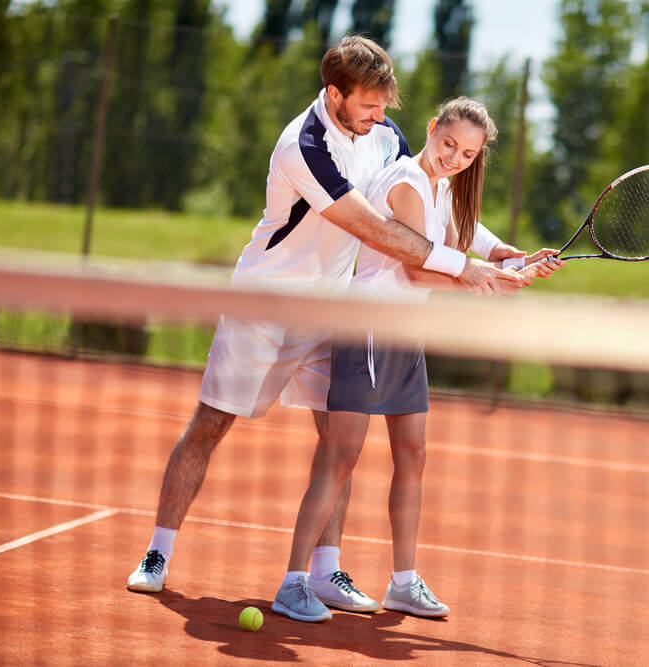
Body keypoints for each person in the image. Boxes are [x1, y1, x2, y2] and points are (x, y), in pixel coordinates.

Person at [126, 36, 536, 611]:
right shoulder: (304, 145)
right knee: (211, 423)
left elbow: (434, 214)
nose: (379, 117)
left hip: (336, 311)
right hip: (267, 305)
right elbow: (374, 229)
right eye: (368, 105)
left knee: (335, 444)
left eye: (385, 106)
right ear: (334, 93)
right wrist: (464, 270)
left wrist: (498, 256)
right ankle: (157, 553)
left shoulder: (386, 136)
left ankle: (325, 572)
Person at [271, 97, 564, 622]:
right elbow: (419, 268)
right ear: (432, 129)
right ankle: (293, 582)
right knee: (341, 458)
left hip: (407, 333)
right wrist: (486, 275)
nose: (455, 158)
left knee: (413, 457)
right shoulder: (406, 180)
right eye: (449, 144)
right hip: (368, 328)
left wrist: (517, 259)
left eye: (468, 154)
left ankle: (403, 582)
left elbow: (468, 238)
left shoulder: (443, 185)